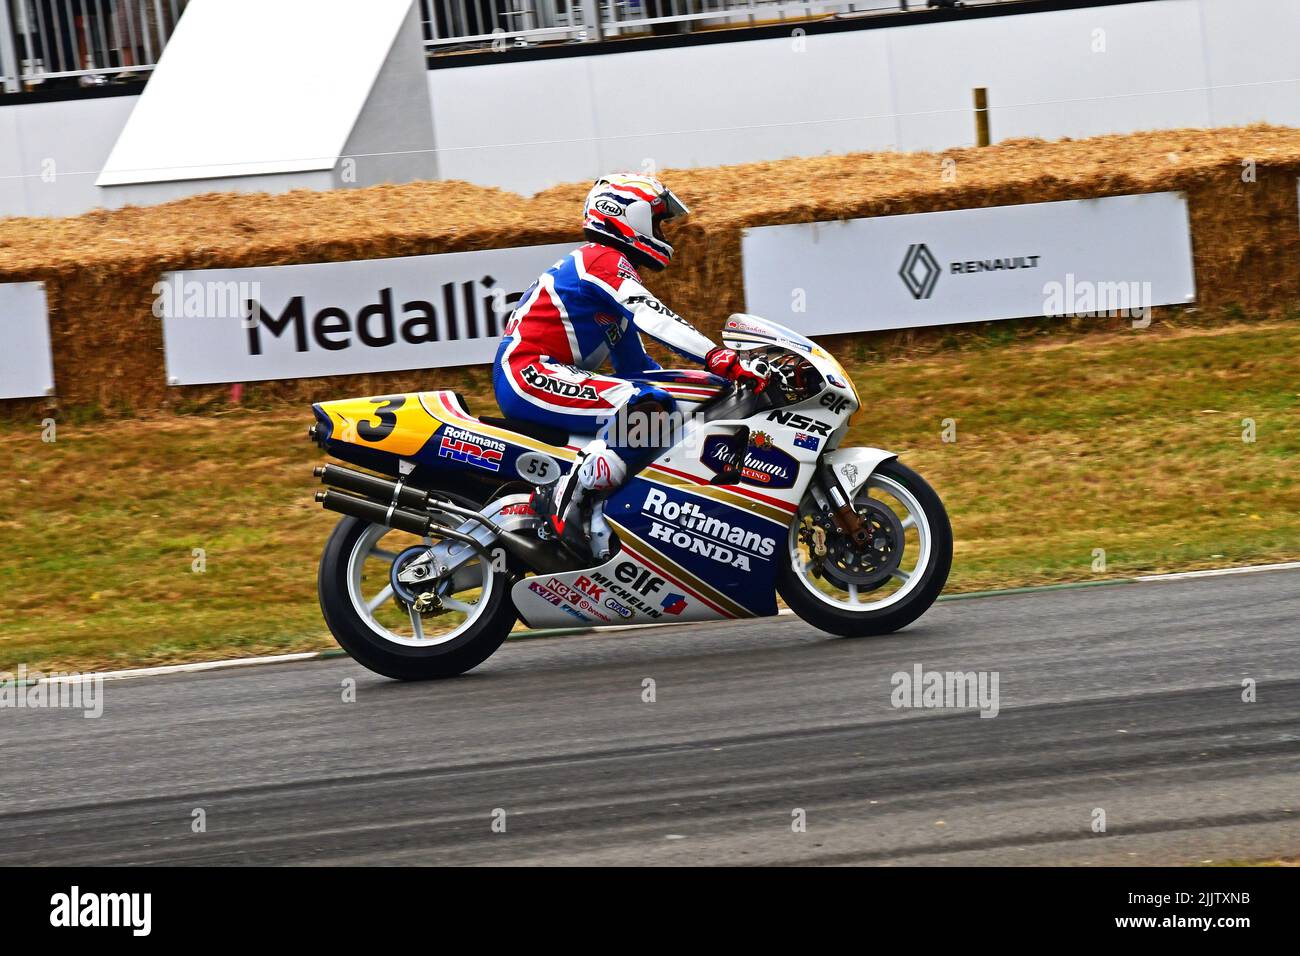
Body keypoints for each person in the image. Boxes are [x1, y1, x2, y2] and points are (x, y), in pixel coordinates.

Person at [493, 172, 770, 552]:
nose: (663, 231)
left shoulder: (606, 277)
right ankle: (568, 500)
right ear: (627, 215)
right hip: (529, 372)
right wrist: (717, 357)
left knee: (657, 400)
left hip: (538, 373)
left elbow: (635, 367)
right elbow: (653, 316)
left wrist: (706, 387)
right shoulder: (601, 259)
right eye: (657, 221)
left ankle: (600, 509)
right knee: (650, 408)